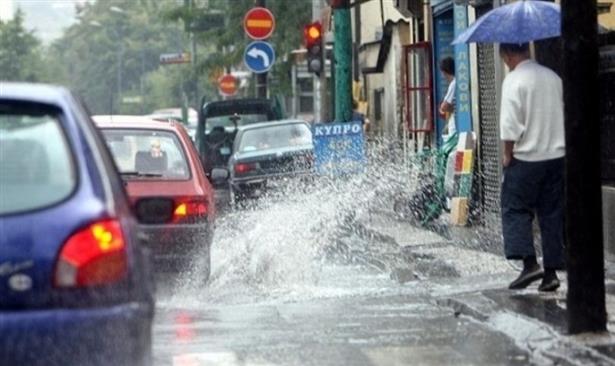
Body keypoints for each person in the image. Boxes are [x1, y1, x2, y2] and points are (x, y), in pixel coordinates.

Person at [498, 42, 566, 292]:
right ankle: (551, 273)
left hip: (526, 158)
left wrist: (507, 154)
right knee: (551, 214)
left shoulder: (514, 81)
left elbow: (509, 124)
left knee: (515, 208)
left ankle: (529, 264)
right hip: (556, 156)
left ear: (506, 55)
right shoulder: (553, 77)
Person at [439, 57, 456, 137]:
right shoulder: (455, 82)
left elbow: (444, 106)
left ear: (445, 72)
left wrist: (450, 108)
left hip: (455, 126)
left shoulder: (454, 84)